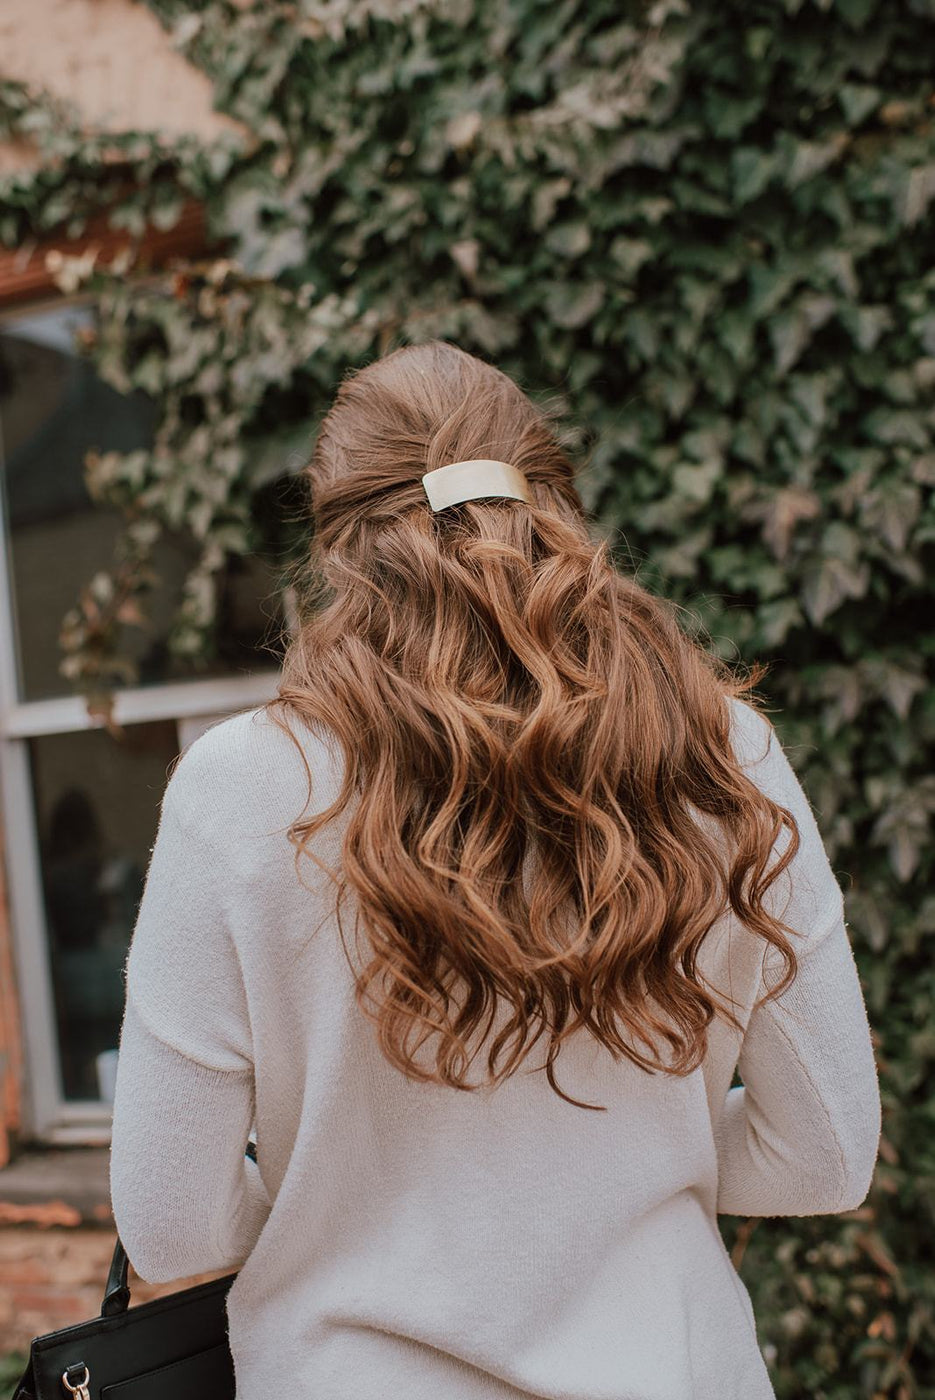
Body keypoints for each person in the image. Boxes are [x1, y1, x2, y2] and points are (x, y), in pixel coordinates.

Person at [109, 339, 882, 1400]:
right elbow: (826, 1153)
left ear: (332, 544)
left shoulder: (237, 787)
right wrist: (620, 1173)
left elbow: (167, 1215)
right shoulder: (723, 752)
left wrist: (334, 1200)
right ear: (552, 504)